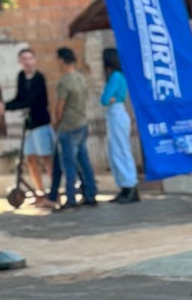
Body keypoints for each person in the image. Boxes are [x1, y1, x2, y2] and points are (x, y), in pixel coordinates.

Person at [0, 47, 55, 206]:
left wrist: (7, 107)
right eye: (24, 59)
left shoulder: (39, 78)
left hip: (40, 123)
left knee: (46, 158)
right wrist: (5, 105)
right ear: (20, 61)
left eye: (30, 58)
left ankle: (54, 192)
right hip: (28, 125)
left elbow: (31, 101)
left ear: (34, 60)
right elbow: (19, 98)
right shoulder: (21, 77)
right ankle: (39, 192)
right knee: (30, 159)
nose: (27, 62)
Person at [51, 46, 97, 210]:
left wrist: (56, 123)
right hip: (82, 123)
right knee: (84, 162)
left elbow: (59, 108)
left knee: (69, 165)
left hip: (69, 126)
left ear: (62, 60)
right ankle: (90, 194)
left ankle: (71, 198)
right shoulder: (81, 78)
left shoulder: (65, 81)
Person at [100, 47, 140, 202]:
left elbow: (104, 99)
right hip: (117, 112)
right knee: (118, 150)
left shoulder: (115, 76)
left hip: (116, 113)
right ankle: (126, 186)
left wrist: (111, 99)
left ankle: (129, 185)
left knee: (120, 150)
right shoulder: (121, 75)